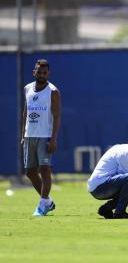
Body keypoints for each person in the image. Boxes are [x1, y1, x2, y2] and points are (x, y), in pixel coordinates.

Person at [21, 59, 61, 217]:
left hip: (45, 136)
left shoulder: (53, 91)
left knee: (45, 170)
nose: (42, 75)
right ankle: (48, 202)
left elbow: (57, 116)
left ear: (48, 74)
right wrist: (22, 134)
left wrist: (53, 139)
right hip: (29, 135)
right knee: (30, 172)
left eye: (45, 72)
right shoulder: (27, 88)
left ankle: (42, 204)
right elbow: (26, 111)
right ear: (34, 72)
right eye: (39, 72)